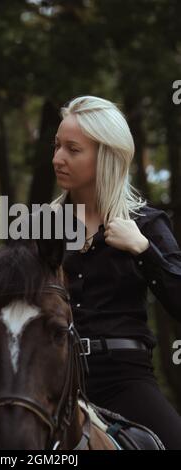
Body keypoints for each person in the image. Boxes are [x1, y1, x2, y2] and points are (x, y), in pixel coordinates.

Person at [50, 95, 181, 449]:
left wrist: (143, 249)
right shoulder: (40, 227)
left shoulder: (147, 225)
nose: (57, 158)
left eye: (72, 149)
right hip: (51, 378)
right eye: (57, 145)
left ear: (106, 156)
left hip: (125, 377)